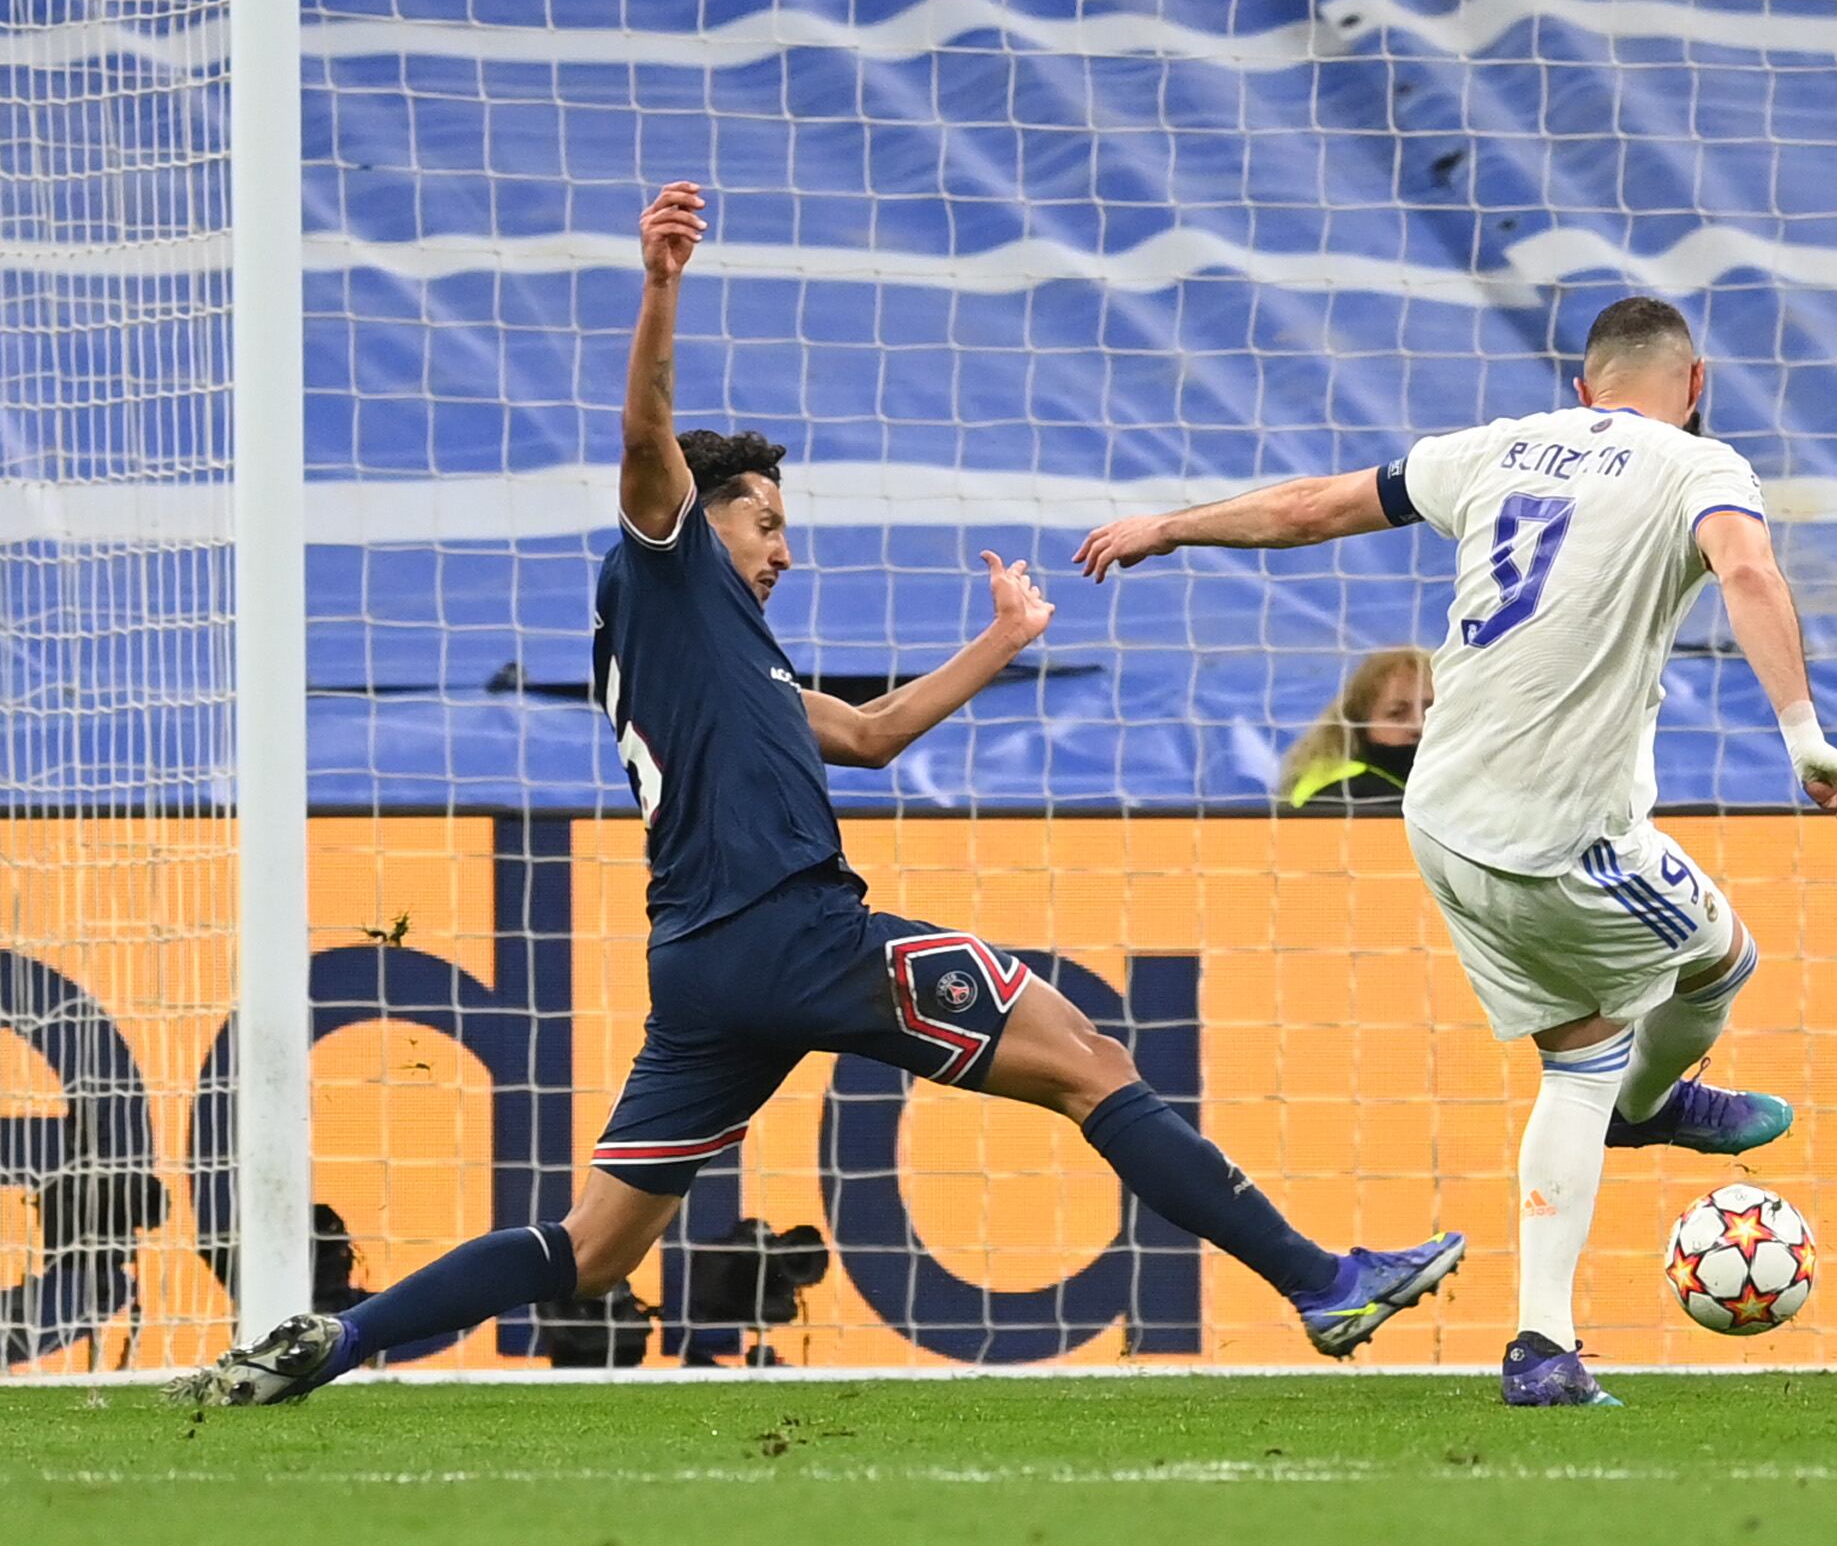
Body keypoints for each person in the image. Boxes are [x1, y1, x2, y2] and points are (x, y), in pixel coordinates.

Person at [178, 183, 1461, 1405]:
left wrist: (1002, 641)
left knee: (598, 1244)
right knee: (1090, 1061)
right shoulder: (670, 565)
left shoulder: (724, 654)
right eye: (769, 524)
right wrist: (662, 285)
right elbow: (645, 438)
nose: (785, 549)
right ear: (706, 514)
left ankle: (343, 1335)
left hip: (703, 963)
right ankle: (1319, 1279)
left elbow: (873, 733)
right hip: (798, 930)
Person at [1079, 296, 1837, 1406]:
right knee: (1722, 960)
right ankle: (1655, 1104)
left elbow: (1318, 507)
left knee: (1579, 1054)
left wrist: (1168, 526)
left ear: (1581, 388)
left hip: (1442, 822)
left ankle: (1541, 1348)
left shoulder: (1496, 446)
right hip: (1558, 831)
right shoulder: (1700, 465)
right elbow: (1747, 571)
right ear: (1694, 385)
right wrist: (1806, 735)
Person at [1279, 647, 1433, 810]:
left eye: (1432, 710)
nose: (1419, 724)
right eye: (1396, 714)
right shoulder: (1356, 792)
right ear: (1358, 723)